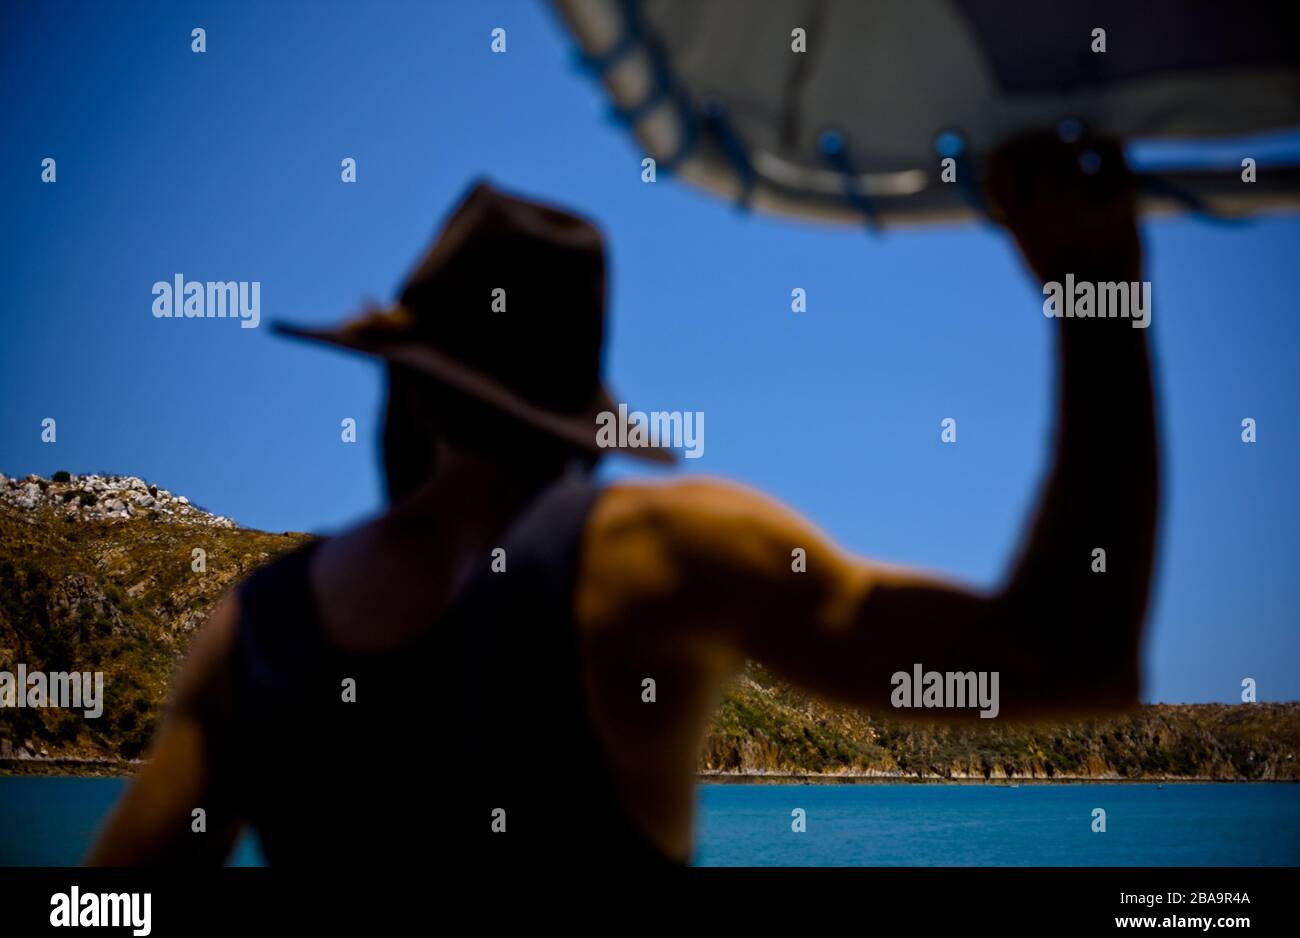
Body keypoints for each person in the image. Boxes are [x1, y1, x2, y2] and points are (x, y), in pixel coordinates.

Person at [88, 129, 1158, 867]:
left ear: (412, 391)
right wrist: (1096, 288)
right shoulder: (664, 551)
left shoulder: (256, 627)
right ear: (575, 421)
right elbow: (1071, 655)